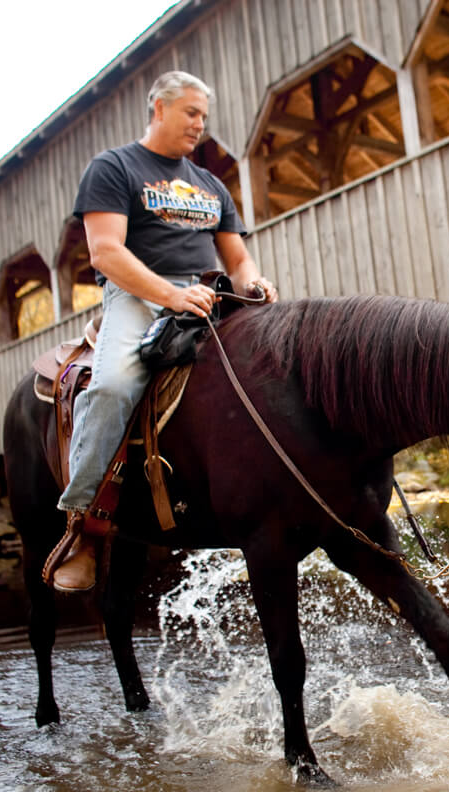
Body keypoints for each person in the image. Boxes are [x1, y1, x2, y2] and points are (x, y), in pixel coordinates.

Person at [45, 70, 278, 593]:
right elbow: (106, 252)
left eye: (204, 115)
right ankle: (81, 525)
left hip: (210, 295)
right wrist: (170, 295)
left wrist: (254, 282)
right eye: (191, 112)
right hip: (139, 297)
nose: (200, 124)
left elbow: (237, 257)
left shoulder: (209, 184)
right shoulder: (114, 167)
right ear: (159, 109)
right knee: (111, 387)